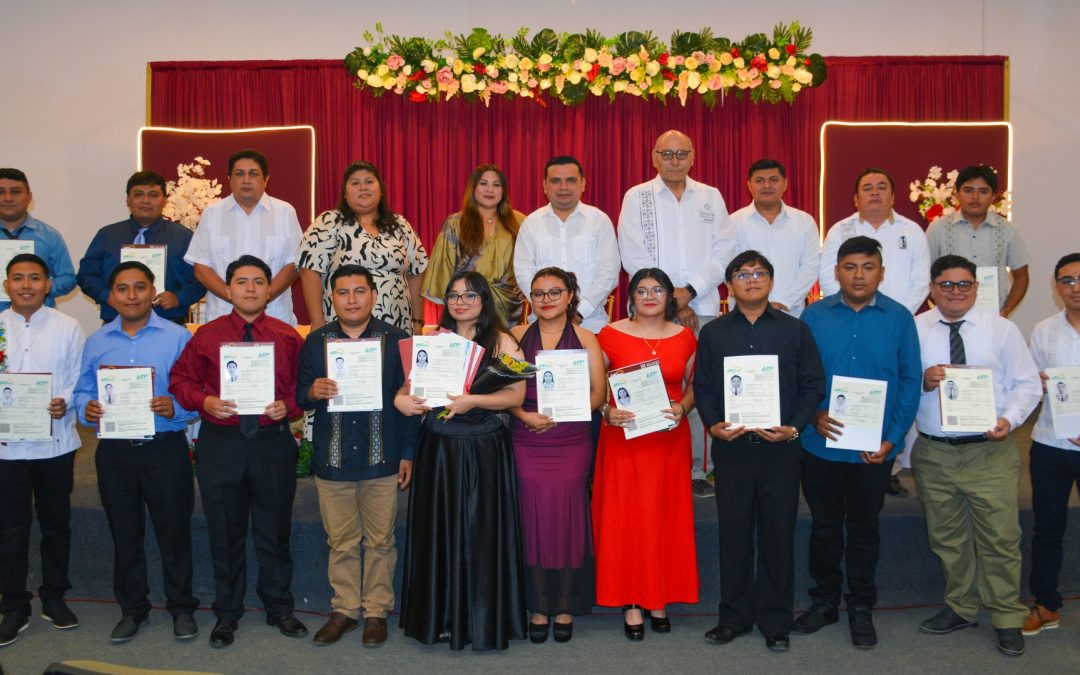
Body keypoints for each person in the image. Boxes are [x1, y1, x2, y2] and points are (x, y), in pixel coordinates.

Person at [169, 254, 306, 648]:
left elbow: (304, 384)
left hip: (272, 442)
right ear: (228, 290)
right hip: (221, 443)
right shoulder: (207, 336)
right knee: (224, 531)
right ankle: (227, 613)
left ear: (270, 289)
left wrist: (290, 405)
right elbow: (180, 379)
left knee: (274, 529)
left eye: (259, 281)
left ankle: (279, 607)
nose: (250, 288)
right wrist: (204, 401)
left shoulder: (286, 335)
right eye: (242, 282)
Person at [794, 236, 922, 649]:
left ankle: (862, 605)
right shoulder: (814, 317)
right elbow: (799, 377)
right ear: (837, 272)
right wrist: (812, 413)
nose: (859, 275)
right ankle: (825, 601)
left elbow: (909, 381)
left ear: (881, 272)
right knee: (826, 528)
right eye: (850, 267)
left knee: (865, 530)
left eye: (868, 267)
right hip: (821, 444)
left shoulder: (900, 318)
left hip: (874, 450)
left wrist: (892, 439)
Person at [911, 255, 1041, 657]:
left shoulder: (1000, 330)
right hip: (935, 453)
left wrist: (1009, 418)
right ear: (932, 288)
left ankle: (1006, 615)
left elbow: (1027, 385)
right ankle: (961, 606)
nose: (955, 292)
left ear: (976, 287)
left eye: (963, 284)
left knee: (1000, 537)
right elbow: (897, 385)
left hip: (990, 450)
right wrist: (921, 381)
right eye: (946, 285)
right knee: (948, 538)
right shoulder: (914, 330)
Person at [695, 250, 824, 652]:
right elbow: (703, 387)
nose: (751, 279)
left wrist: (794, 427)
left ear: (771, 280)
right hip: (733, 450)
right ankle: (733, 618)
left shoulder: (794, 330)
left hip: (780, 450)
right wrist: (714, 422)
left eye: (759, 273)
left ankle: (775, 621)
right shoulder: (714, 333)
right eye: (742, 274)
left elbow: (812, 385)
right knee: (733, 535)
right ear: (729, 284)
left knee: (777, 535)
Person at [397, 271, 527, 651]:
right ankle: (441, 619)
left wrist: (474, 401)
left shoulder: (504, 341)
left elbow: (515, 396)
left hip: (484, 448)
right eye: (453, 296)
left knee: (482, 534)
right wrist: (400, 400)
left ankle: (480, 620)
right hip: (439, 449)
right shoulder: (434, 341)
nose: (460, 302)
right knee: (439, 532)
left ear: (484, 300)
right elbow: (407, 389)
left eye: (469, 295)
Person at [72, 261, 200, 643]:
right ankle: (133, 609)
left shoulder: (178, 337)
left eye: (140, 287)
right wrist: (86, 408)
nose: (132, 295)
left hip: (164, 448)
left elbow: (195, 392)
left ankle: (181, 608)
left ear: (152, 291)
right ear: (111, 296)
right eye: (123, 289)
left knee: (174, 531)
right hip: (114, 452)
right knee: (124, 532)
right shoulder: (96, 342)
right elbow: (82, 391)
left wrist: (174, 408)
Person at [296, 264, 420, 648]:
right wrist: (312, 392)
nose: (352, 299)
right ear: (332, 297)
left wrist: (409, 454)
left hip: (382, 456)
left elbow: (411, 401)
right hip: (332, 460)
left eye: (359, 291)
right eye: (343, 292)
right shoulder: (316, 343)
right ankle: (345, 609)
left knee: (381, 539)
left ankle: (377, 611)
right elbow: (298, 395)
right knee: (342, 540)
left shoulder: (397, 340)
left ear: (373, 295)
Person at [617, 130, 736, 498]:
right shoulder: (637, 197)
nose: (674, 160)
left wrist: (691, 292)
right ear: (654, 157)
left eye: (681, 153)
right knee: (655, 386)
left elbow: (725, 251)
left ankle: (704, 469)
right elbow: (632, 254)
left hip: (702, 309)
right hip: (652, 312)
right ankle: (659, 466)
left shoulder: (710, 197)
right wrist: (671, 302)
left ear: (692, 156)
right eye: (666, 153)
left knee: (701, 387)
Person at [594, 267, 698, 640]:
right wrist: (607, 410)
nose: (650, 296)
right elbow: (595, 387)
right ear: (630, 297)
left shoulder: (686, 337)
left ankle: (659, 596)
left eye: (658, 290)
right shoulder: (608, 334)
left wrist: (684, 408)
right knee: (627, 518)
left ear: (670, 297)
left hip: (668, 438)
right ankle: (631, 600)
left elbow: (693, 386)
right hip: (624, 438)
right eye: (642, 290)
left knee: (663, 517)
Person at [508, 267, 606, 643]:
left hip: (571, 439)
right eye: (538, 293)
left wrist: (566, 413)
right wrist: (522, 415)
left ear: (569, 296)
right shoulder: (516, 337)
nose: (546, 300)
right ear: (529, 299)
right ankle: (537, 604)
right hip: (527, 437)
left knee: (567, 516)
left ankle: (564, 604)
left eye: (554, 292)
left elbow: (598, 393)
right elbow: (505, 390)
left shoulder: (586, 338)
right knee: (531, 516)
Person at [0, 253, 85, 647]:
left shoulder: (67, 326)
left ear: (49, 284)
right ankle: (14, 605)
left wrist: (64, 400)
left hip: (55, 443)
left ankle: (54, 597)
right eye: (18, 278)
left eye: (35, 278)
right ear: (6, 286)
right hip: (6, 447)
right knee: (10, 528)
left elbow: (76, 376)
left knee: (56, 523)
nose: (27, 285)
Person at [1021, 253, 1080, 636]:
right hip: (1050, 444)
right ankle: (1046, 603)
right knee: (1048, 527)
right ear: (1056, 287)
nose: (1075, 288)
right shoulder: (1044, 330)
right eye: (1067, 281)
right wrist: (1039, 386)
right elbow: (1032, 387)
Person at [298, 161, 428, 333]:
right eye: (355, 183)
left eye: (369, 181)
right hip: (343, 327)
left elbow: (418, 271)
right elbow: (309, 269)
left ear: (381, 190)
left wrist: (417, 322)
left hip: (398, 324)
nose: (363, 187)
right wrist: (317, 322)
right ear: (345, 193)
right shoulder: (329, 221)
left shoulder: (400, 224)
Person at [184, 150, 302, 324]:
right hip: (223, 317)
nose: (246, 180)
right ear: (229, 179)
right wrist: (234, 297)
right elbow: (201, 267)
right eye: (239, 174)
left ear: (266, 179)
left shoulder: (285, 213)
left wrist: (263, 296)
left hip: (274, 317)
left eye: (253, 174)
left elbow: (294, 264)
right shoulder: (212, 214)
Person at [76, 171, 205, 324]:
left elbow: (201, 278)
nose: (146, 201)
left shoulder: (184, 237)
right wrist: (106, 295)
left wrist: (178, 298)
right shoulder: (107, 235)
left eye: (153, 195)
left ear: (164, 200)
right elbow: (86, 275)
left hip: (168, 322)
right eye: (138, 194)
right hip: (116, 323)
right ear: (127, 200)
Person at [513, 156, 620, 332]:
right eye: (555, 181)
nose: (563, 187)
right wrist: (549, 310)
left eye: (571, 180)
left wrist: (579, 313)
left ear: (583, 184)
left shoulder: (599, 220)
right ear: (545, 186)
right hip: (542, 325)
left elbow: (608, 274)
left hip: (590, 325)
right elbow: (523, 272)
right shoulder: (531, 223)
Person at [421, 164, 525, 327]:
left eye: (496, 185)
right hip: (466, 308)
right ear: (473, 188)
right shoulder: (455, 223)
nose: (490, 189)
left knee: (504, 352)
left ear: (503, 190)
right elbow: (443, 269)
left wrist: (526, 281)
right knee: (469, 351)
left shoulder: (519, 221)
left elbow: (535, 257)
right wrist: (456, 300)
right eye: (483, 183)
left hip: (508, 309)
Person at [820, 168, 930, 314]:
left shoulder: (912, 231)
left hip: (898, 319)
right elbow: (828, 276)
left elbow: (922, 281)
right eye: (867, 188)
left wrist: (898, 315)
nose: (875, 192)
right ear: (856, 200)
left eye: (882, 187)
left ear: (892, 198)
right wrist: (849, 310)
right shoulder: (838, 231)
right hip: (849, 316)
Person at [926, 165, 1029, 316]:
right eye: (968, 190)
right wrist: (942, 307)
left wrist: (1005, 311)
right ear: (956, 194)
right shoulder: (937, 228)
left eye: (983, 191)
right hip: (949, 318)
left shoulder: (1007, 230)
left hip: (993, 318)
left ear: (994, 196)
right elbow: (923, 274)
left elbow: (1021, 276)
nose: (975, 197)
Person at [729, 159, 820, 317]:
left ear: (785, 184)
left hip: (791, 313)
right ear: (749, 185)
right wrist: (754, 304)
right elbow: (727, 267)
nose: (767, 186)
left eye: (773, 180)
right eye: (759, 181)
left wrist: (785, 302)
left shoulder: (804, 222)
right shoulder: (732, 222)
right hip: (744, 313)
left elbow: (810, 268)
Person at [0, 169, 77, 311]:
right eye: (1, 192)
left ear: (29, 197)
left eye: (16, 192)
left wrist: (40, 287)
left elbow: (68, 278)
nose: (8, 198)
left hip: (39, 321)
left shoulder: (50, 236)